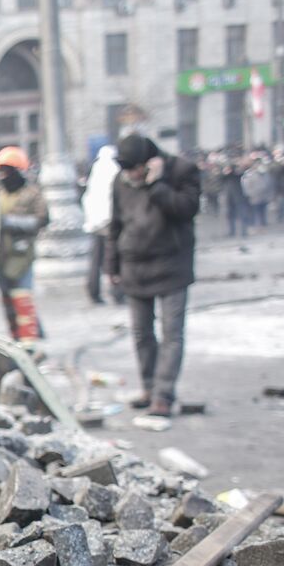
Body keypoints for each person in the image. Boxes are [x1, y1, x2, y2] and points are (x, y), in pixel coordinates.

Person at [107, 134, 201, 419]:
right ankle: (148, 386)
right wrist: (111, 266)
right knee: (141, 334)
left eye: (135, 169)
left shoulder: (181, 172)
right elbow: (115, 225)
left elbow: (186, 209)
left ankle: (163, 394)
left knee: (172, 334)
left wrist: (156, 185)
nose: (131, 175)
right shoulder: (120, 182)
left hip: (171, 264)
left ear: (149, 163)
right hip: (134, 265)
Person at [0, 147, 49, 342]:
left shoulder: (31, 194)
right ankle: (15, 338)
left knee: (22, 299)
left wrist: (11, 221)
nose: (2, 176)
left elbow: (41, 219)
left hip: (21, 254)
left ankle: (28, 342)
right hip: (0, 255)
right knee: (7, 301)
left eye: (6, 171)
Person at [82, 144, 121, 305]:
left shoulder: (95, 169)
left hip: (95, 222)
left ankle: (94, 291)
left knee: (96, 259)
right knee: (114, 257)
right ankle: (117, 292)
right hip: (110, 221)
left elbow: (89, 196)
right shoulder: (115, 170)